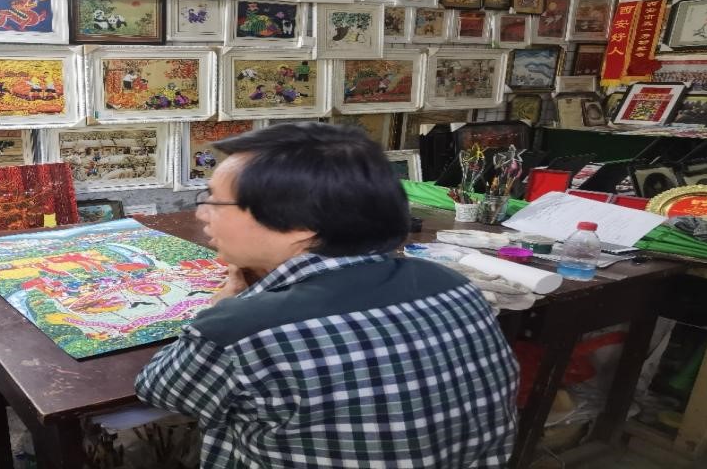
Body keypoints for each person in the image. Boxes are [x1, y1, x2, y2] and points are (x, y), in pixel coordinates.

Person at [135, 122, 519, 468]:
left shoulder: (239, 330)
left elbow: (161, 390)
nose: (202, 214)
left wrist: (223, 304)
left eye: (214, 202)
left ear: (299, 223)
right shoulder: (452, 284)